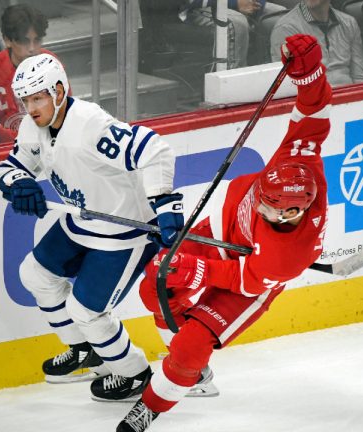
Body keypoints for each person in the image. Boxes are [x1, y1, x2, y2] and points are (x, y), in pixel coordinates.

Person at [117, 33, 330, 432]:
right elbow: (315, 111)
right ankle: (188, 373)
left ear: (295, 212)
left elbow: (242, 280)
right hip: (222, 232)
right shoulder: (296, 161)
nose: (260, 203)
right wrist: (310, 73)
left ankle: (153, 403)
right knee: (158, 284)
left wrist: (199, 271)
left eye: (268, 207)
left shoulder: (287, 257)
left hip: (247, 276)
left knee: (192, 345)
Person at [0, 53, 184, 402]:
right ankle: (86, 351)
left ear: (59, 91)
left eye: (38, 98)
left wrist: (165, 204)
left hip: (125, 232)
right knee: (34, 274)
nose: (31, 107)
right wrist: (17, 182)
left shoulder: (90, 126)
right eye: (26, 100)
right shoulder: (33, 126)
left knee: (86, 311)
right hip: (83, 221)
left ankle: (134, 373)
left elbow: (155, 151)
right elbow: (10, 168)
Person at [0, 4, 61, 141]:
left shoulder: (51, 64)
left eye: (37, 40)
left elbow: (63, 115)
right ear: (7, 40)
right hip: (1, 151)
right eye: (24, 41)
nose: (32, 48)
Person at [270, 0, 363, 87]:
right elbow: (290, 85)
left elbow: (360, 77)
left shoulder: (349, 23)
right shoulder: (286, 29)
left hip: (350, 98)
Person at [180, 0, 287, 69]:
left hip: (235, 3)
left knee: (281, 15)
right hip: (197, 8)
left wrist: (253, 3)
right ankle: (234, 85)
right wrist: (235, 3)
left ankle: (274, 77)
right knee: (237, 23)